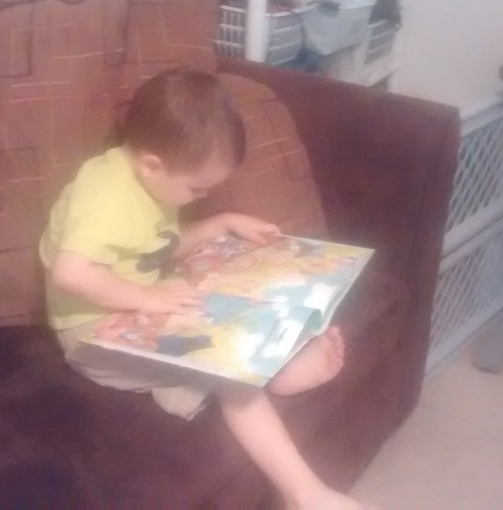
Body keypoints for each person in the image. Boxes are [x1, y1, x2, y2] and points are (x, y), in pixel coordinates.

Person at [39, 67, 366, 510]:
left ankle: (275, 363)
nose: (200, 196)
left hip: (133, 304)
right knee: (228, 374)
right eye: (197, 189)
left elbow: (154, 248)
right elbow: (71, 273)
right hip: (91, 335)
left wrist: (221, 224)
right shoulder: (104, 196)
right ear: (152, 164)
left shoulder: (147, 181)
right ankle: (304, 492)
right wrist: (146, 298)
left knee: (232, 299)